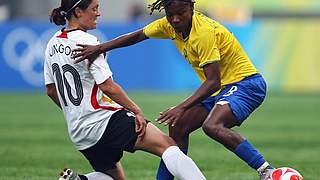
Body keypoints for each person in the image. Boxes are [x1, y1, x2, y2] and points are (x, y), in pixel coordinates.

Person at [72, 0, 276, 179]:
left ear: (192, 8)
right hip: (222, 89)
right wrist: (100, 48)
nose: (176, 19)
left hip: (246, 84)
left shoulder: (203, 33)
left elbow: (213, 81)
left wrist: (180, 107)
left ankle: (266, 171)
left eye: (181, 14)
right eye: (171, 15)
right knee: (178, 126)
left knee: (212, 126)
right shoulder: (168, 25)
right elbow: (136, 36)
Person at [44, 0, 206, 180]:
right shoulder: (87, 42)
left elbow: (51, 90)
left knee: (114, 178)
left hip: (79, 131)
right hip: (104, 120)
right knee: (168, 145)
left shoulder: (52, 43)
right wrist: (135, 109)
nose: (98, 14)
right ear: (79, 12)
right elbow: (107, 86)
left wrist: (75, 112)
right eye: (94, 9)